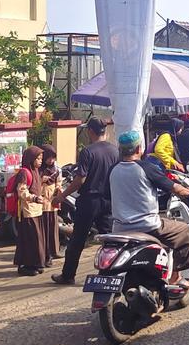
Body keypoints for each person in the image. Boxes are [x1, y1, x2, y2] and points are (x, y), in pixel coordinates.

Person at [108, 131, 189, 286]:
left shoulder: (113, 170)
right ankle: (176, 276)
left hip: (119, 228)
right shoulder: (147, 168)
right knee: (184, 230)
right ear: (138, 149)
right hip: (148, 226)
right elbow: (176, 189)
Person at [52, 118, 118, 285]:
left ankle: (68, 275)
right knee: (110, 240)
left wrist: (62, 195)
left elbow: (80, 179)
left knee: (78, 239)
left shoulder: (88, 152)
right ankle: (109, 274)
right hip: (109, 201)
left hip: (89, 201)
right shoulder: (115, 151)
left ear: (90, 131)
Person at [12, 146, 48, 276]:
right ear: (31, 159)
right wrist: (34, 198)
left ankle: (36, 263)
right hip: (27, 212)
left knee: (37, 239)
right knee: (30, 239)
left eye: (41, 159)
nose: (40, 161)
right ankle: (25, 265)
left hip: (37, 210)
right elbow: (21, 191)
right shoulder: (24, 172)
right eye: (37, 158)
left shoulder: (36, 171)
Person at [39, 145, 62, 265]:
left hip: (52, 203)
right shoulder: (38, 169)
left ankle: (53, 252)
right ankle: (45, 255)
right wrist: (42, 179)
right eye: (49, 158)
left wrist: (58, 188)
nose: (51, 161)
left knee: (52, 228)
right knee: (44, 229)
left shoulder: (56, 169)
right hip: (41, 204)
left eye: (53, 158)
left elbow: (59, 182)